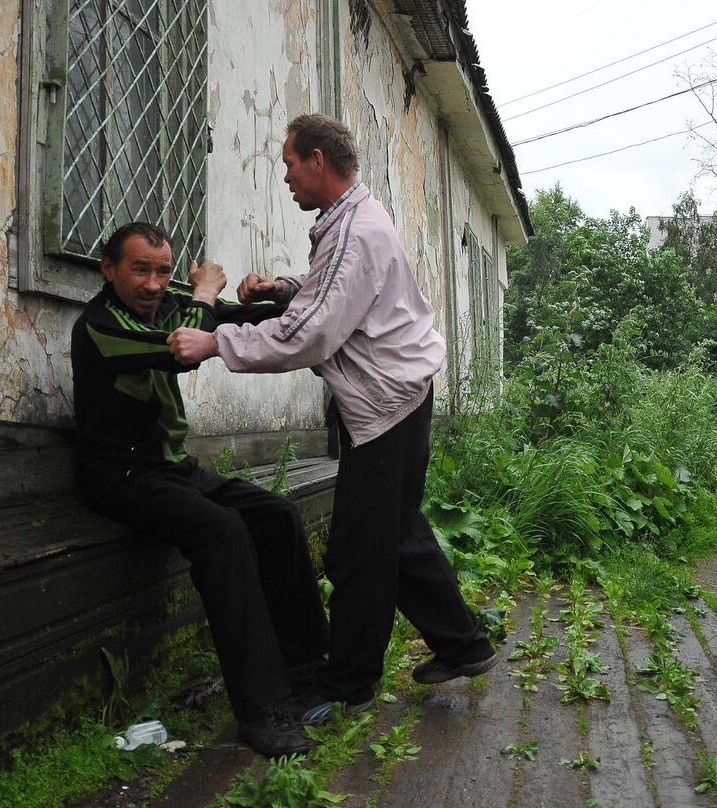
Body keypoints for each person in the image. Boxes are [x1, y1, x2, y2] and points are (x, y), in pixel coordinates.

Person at [167, 113, 496, 725]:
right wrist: (283, 286)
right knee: (393, 532)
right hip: (401, 395)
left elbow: (311, 335)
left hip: (387, 405)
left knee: (358, 552)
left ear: (317, 160)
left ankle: (350, 683)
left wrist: (216, 343)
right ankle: (464, 644)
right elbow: (335, 293)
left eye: (290, 161)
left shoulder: (352, 231)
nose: (286, 174)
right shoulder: (350, 222)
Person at [70, 222, 328, 757]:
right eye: (139, 269)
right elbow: (184, 349)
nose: (153, 284)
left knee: (276, 515)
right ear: (108, 270)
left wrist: (280, 300)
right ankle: (262, 708)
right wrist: (206, 291)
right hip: (119, 475)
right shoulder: (97, 326)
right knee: (223, 531)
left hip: (172, 469)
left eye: (163, 271)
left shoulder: (170, 303)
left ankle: (309, 672)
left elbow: (225, 322)